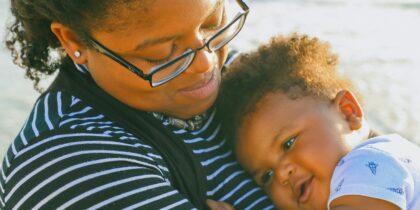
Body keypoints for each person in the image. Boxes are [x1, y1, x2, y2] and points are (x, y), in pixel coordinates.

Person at [0, 0, 274, 209]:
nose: (206, 62)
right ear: (73, 40)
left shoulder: (252, 73)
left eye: (212, 22)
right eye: (159, 54)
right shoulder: (63, 166)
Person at [218, 34, 420, 210]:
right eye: (266, 177)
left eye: (288, 143)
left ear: (347, 112)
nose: (281, 174)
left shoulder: (368, 163)